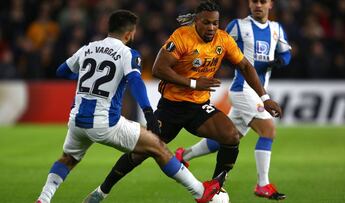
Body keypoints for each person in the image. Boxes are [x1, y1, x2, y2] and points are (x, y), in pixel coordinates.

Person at [83, 1, 282, 202]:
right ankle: (102, 191)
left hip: (198, 107)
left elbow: (246, 66)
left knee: (231, 137)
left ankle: (215, 187)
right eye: (206, 23)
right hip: (171, 107)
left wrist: (264, 98)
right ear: (197, 21)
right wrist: (194, 83)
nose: (212, 28)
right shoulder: (182, 37)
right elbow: (159, 69)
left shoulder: (223, 40)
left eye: (215, 23)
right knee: (139, 154)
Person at [35, 10, 226, 203]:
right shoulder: (127, 53)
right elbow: (135, 82)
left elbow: (61, 71)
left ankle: (43, 199)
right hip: (105, 123)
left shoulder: (88, 48)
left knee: (67, 160)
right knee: (158, 147)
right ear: (129, 34)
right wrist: (148, 112)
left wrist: (86, 78)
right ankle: (200, 193)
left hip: (77, 121)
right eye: (133, 32)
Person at [175, 0, 292, 200]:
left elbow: (286, 52)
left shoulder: (276, 29)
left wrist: (280, 61)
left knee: (230, 138)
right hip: (242, 89)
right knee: (269, 130)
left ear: (270, 4)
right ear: (249, 3)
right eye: (254, 1)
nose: (258, 5)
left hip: (256, 91)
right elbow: (216, 42)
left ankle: (183, 155)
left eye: (263, 1)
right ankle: (263, 184)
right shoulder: (238, 26)